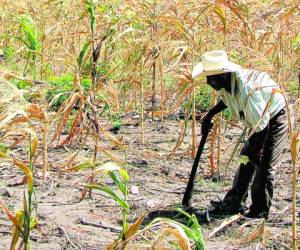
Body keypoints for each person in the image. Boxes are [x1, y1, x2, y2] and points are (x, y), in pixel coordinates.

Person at [192, 50, 288, 219]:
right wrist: (210, 114)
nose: (208, 82)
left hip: (274, 116)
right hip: (260, 120)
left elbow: (262, 126)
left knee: (264, 165)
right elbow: (227, 99)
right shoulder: (226, 83)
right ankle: (234, 203)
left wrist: (257, 150)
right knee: (246, 158)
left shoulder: (247, 91)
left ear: (223, 75)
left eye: (211, 78)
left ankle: (259, 212)